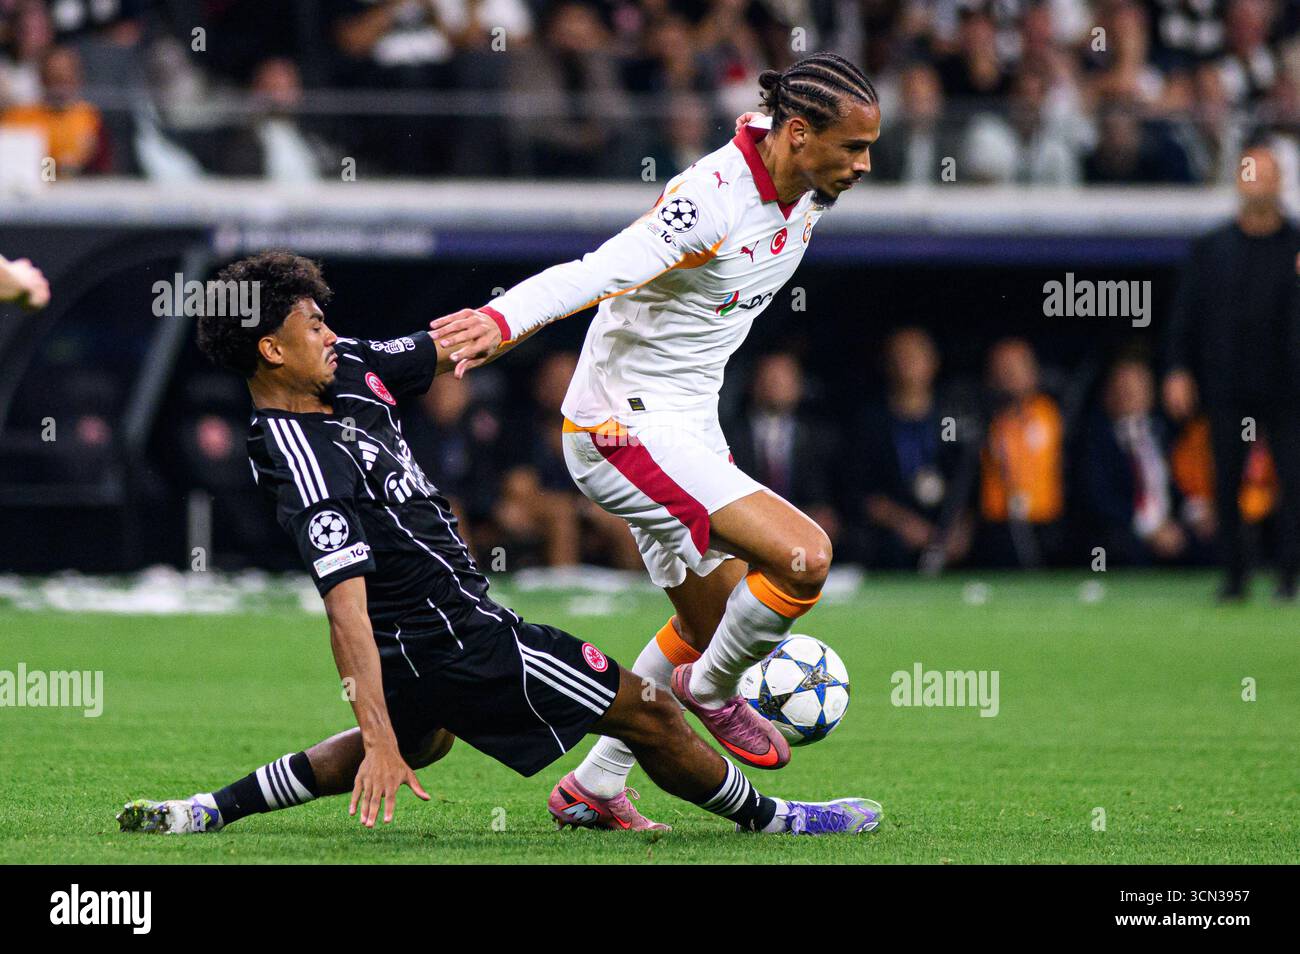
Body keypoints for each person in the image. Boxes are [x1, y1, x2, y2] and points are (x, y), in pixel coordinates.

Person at [116, 251, 881, 838]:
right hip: (461, 637)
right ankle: (779, 820)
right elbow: (343, 608)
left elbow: (452, 344)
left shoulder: (348, 369)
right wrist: (377, 735)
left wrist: (545, 311)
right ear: (271, 353)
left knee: (427, 741)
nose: (329, 331)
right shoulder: (299, 458)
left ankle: (203, 811)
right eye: (311, 325)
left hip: (420, 642)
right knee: (648, 714)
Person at [428, 53, 880, 823]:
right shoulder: (709, 202)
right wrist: (502, 320)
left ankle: (594, 786)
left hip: (686, 426)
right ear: (798, 134)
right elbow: (596, 271)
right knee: (803, 558)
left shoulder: (806, 184)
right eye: (854, 148)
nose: (865, 166)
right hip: (619, 428)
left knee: (706, 624)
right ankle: (710, 689)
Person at [1163, 142, 1300, 601]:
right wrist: (1178, 369)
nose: (1256, 181)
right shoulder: (1213, 248)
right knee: (1226, 480)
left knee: (1293, 479)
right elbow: (1185, 316)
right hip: (1229, 384)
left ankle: (1289, 577)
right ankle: (1236, 576)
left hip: (1289, 386)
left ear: (1280, 180)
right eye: (1248, 172)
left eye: (1265, 172)